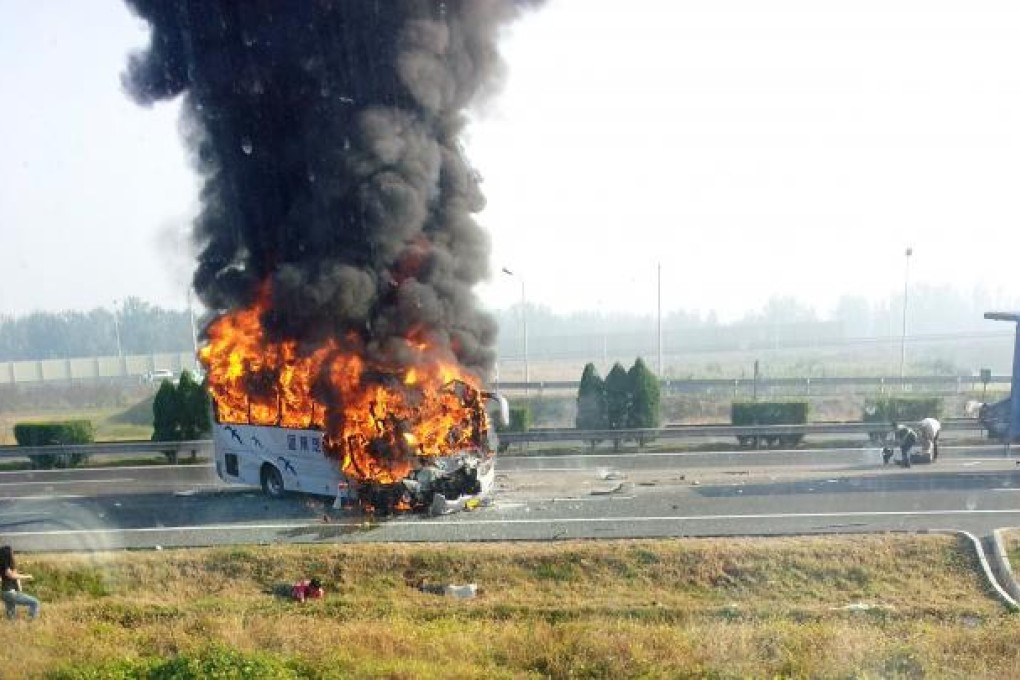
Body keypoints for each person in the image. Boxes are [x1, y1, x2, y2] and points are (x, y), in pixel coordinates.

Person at [0, 545, 39, 621]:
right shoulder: (6, 566)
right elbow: (11, 575)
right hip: (10, 593)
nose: (13, 553)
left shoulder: (4, 565)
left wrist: (19, 589)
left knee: (11, 616)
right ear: (8, 554)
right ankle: (31, 622)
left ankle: (13, 628)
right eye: (11, 552)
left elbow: (14, 577)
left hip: (6, 593)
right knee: (35, 602)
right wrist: (27, 576)